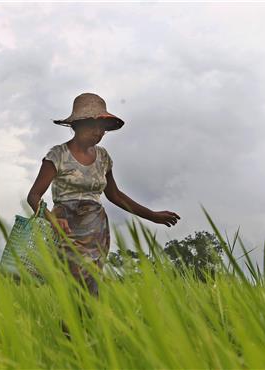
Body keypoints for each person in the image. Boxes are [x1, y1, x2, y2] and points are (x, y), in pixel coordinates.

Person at [26, 93, 180, 337]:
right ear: (77, 126)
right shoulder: (57, 155)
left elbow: (115, 195)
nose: (99, 133)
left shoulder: (104, 158)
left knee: (90, 280)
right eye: (94, 127)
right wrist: (51, 219)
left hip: (95, 227)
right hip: (66, 226)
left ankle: (77, 334)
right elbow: (34, 196)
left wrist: (152, 215)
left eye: (103, 129)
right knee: (77, 279)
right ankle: (73, 332)